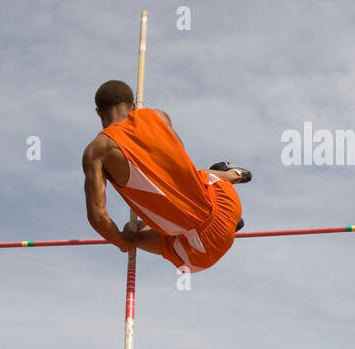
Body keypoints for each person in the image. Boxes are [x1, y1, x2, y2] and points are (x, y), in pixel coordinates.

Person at [82, 80, 250, 273]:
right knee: (193, 177)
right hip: (227, 203)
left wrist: (123, 243)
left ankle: (139, 233)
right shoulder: (159, 116)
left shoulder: (96, 151)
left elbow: (98, 217)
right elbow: (179, 167)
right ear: (134, 106)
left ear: (98, 113)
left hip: (204, 245)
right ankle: (231, 174)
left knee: (132, 231)